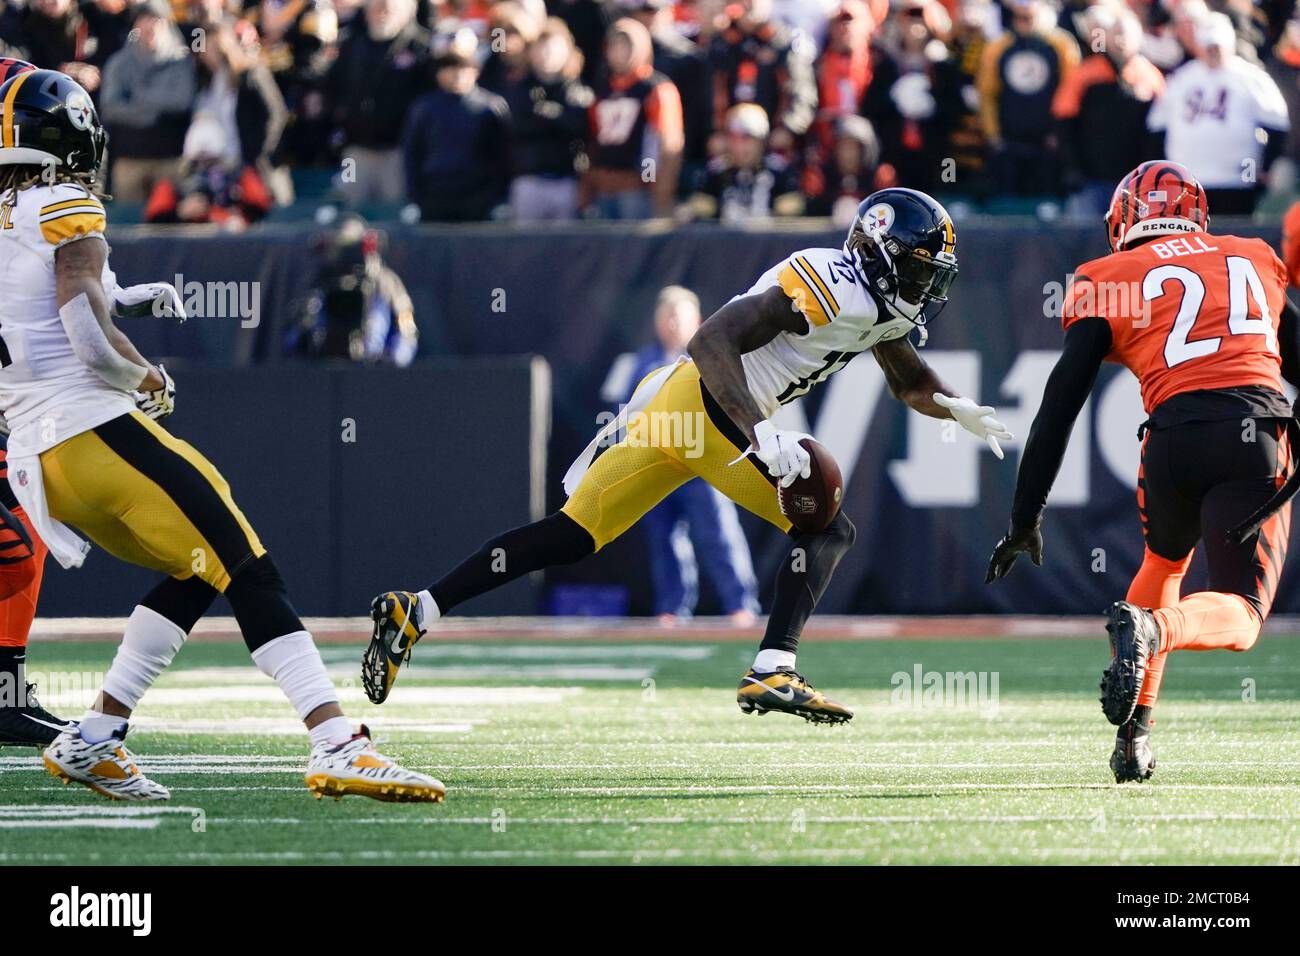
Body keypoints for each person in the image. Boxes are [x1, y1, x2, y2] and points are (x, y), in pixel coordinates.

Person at [363, 188, 1011, 724]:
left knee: (570, 535)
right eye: (920, 270)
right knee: (827, 524)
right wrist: (760, 432)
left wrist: (956, 408)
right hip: (706, 409)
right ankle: (772, 670)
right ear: (880, 255)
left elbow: (907, 379)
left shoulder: (877, 304)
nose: (925, 286)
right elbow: (711, 339)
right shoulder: (832, 285)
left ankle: (416, 609)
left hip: (684, 411)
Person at [0, 68, 443, 802]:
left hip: (42, 460)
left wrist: (136, 301)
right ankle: (337, 740)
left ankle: (96, 735)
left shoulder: (9, 214)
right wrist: (146, 378)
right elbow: (84, 333)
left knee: (196, 567)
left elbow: (57, 307)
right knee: (248, 566)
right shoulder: (64, 201)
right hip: (94, 432)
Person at [987, 161, 1300, 784]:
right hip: (1254, 435)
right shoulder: (1250, 255)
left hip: (1171, 441)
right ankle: (1156, 630)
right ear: (1199, 214)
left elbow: (1058, 406)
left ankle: (1134, 739)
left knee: (1163, 565)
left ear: (1121, 224)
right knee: (1241, 614)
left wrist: (1025, 518)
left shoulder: (1107, 277)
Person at [624, 287, 759, 624]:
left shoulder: (711, 358)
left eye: (678, 315)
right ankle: (672, 607)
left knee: (718, 535)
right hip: (659, 466)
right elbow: (630, 414)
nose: (671, 322)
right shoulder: (643, 363)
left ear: (696, 320)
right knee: (664, 539)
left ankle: (740, 604)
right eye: (665, 315)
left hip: (703, 464)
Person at [1146, 12, 1290, 216]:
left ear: (1229, 45)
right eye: (1208, 46)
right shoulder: (1182, 79)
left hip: (1236, 182)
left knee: (1232, 237)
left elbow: (1277, 124)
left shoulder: (1249, 77)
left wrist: (1264, 167)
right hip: (1187, 182)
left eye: (1217, 46)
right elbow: (1156, 128)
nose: (1213, 52)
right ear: (1199, 46)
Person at [584, 17, 683, 218]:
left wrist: (654, 185)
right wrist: (591, 183)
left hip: (637, 190)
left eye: (625, 46)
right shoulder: (602, 90)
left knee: (635, 247)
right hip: (605, 188)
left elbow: (664, 141)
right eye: (614, 46)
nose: (619, 53)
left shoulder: (654, 88)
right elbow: (594, 139)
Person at [403, 49, 512, 221]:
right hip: (435, 194)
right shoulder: (424, 108)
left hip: (479, 195)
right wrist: (414, 196)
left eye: (463, 68)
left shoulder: (492, 107)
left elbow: (503, 155)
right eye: (450, 68)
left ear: (476, 72)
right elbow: (412, 152)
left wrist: (498, 196)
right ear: (438, 74)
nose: (457, 74)